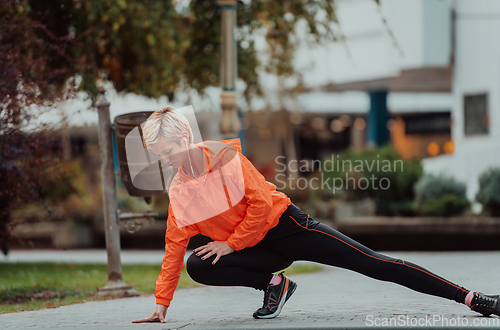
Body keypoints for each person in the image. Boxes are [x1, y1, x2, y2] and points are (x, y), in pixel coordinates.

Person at [132, 107, 500, 324]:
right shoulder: (180, 189)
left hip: (288, 227)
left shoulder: (226, 159)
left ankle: (471, 297)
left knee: (374, 263)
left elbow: (261, 207)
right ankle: (275, 285)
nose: (163, 160)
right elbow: (174, 244)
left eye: (165, 151)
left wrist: (230, 244)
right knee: (198, 264)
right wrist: (161, 304)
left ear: (183, 139)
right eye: (157, 155)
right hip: (255, 250)